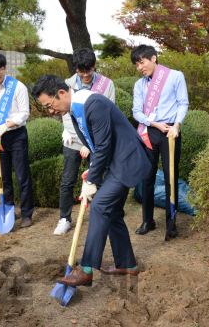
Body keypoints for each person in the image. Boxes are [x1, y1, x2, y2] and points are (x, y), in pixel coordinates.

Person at [31, 74, 151, 286]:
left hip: (126, 161)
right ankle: (127, 264)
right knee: (112, 212)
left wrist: (92, 180)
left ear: (61, 93)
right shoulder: (75, 109)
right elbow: (95, 145)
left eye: (50, 105)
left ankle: (85, 269)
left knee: (99, 207)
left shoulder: (92, 104)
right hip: (114, 163)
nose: (50, 111)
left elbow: (104, 145)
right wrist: (92, 172)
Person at [54, 48, 116, 235]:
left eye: (89, 70)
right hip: (73, 139)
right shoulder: (68, 84)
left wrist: (90, 144)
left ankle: (103, 216)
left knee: (98, 179)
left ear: (94, 66)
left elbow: (109, 112)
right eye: (81, 71)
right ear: (75, 69)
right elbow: (66, 113)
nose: (85, 75)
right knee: (68, 180)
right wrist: (80, 140)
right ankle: (64, 218)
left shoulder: (106, 84)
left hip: (96, 142)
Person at [131, 45, 189, 238]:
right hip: (150, 131)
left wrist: (176, 126)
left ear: (154, 58)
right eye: (137, 64)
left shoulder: (175, 76)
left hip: (170, 132)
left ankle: (171, 223)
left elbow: (183, 103)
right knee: (146, 177)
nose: (140, 67)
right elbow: (137, 112)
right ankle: (148, 221)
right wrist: (154, 123)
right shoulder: (140, 85)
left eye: (142, 62)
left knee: (170, 177)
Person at [0, 52, 34, 227]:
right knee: (3, 176)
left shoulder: (18, 87)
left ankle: (26, 214)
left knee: (22, 175)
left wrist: (7, 125)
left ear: (5, 68)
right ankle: (8, 209)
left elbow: (25, 113)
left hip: (16, 135)